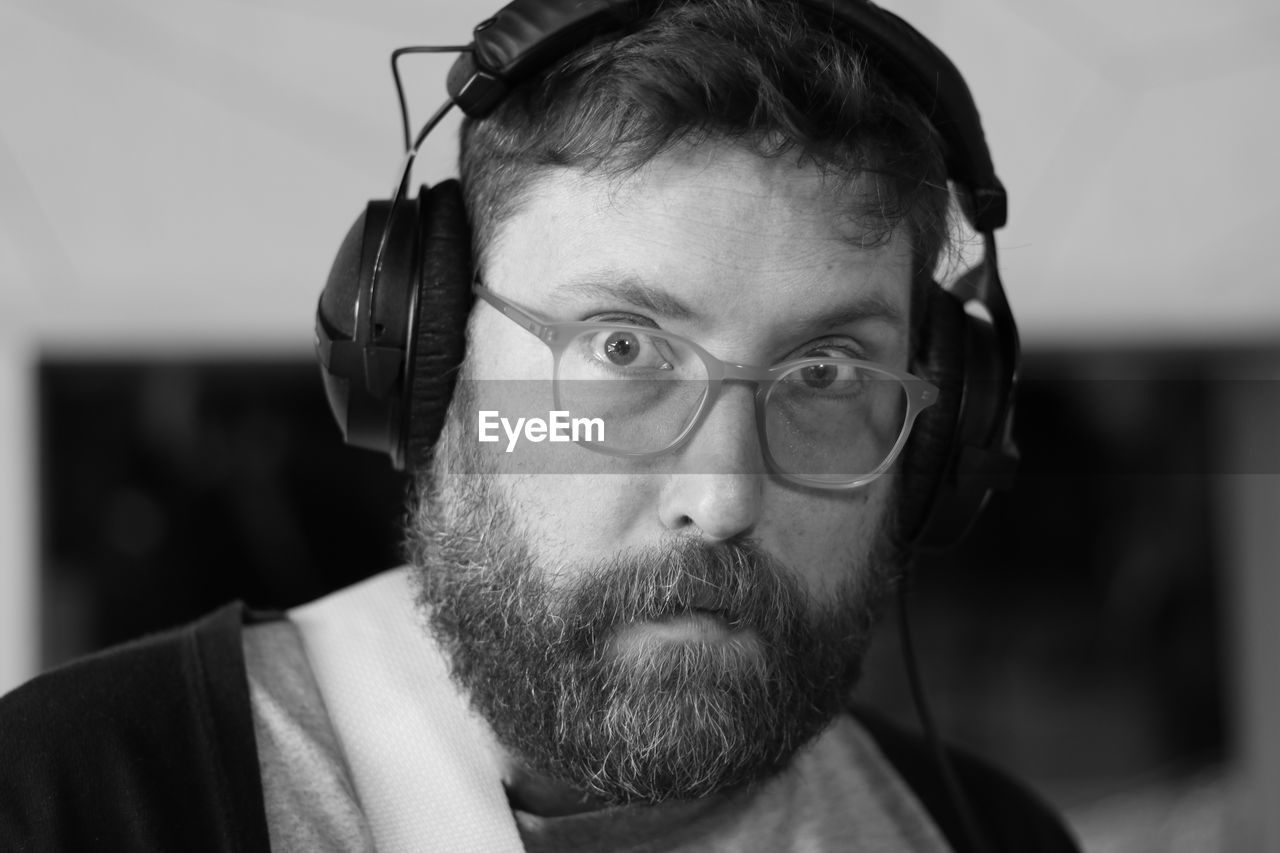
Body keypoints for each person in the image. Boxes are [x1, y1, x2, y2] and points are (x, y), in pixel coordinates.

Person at [0, 0, 1080, 850]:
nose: (722, 495)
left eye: (824, 369)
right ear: (429, 357)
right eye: (622, 348)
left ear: (944, 430)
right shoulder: (68, 797)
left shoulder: (985, 833)